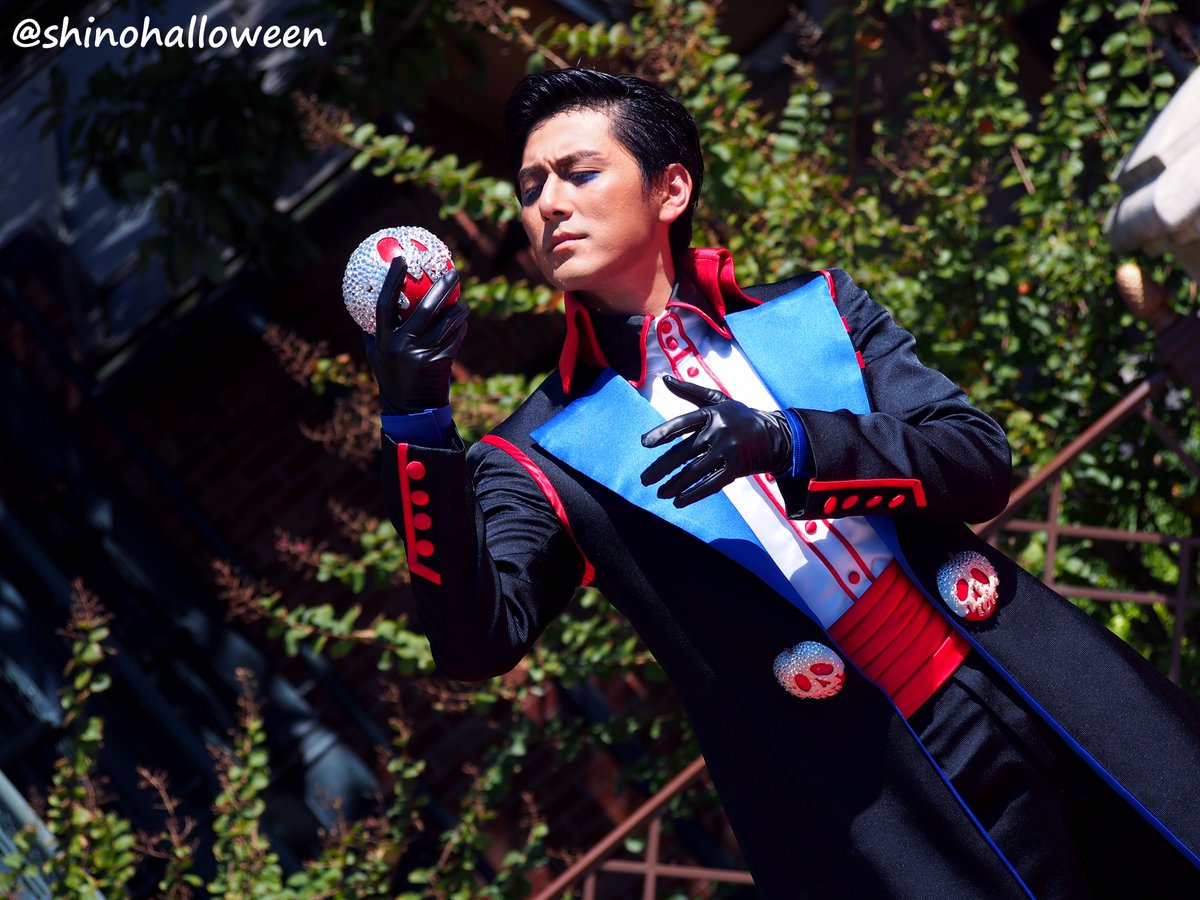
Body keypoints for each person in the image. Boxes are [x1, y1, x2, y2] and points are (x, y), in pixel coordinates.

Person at [366, 67, 1200, 897]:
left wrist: (792, 440)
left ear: (670, 190)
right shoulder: (539, 451)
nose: (547, 203)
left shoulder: (821, 309)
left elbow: (978, 463)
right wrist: (416, 420)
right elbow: (477, 642)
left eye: (578, 172)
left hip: (1039, 688)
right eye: (529, 186)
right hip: (871, 809)